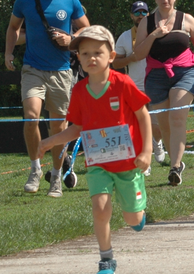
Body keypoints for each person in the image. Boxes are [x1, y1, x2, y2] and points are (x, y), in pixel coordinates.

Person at [38, 26, 152, 274]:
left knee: (132, 219)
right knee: (100, 209)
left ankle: (139, 213)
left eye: (97, 52)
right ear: (78, 57)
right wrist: (50, 141)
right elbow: (77, 128)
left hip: (128, 164)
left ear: (111, 56)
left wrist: (146, 151)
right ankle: (106, 259)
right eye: (85, 53)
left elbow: (143, 116)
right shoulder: (79, 91)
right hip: (98, 163)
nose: (91, 58)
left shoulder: (122, 83)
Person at [118, 0, 194, 187]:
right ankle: (177, 163)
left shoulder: (186, 19)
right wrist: (155, 35)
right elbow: (139, 54)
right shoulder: (147, 22)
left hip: (185, 71)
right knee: (163, 126)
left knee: (177, 118)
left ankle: (174, 166)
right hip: (156, 75)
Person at [5, 0, 89, 198]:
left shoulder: (70, 0)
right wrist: (8, 52)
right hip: (33, 68)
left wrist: (71, 38)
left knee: (58, 128)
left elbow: (86, 27)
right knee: (31, 117)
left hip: (62, 72)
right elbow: (13, 27)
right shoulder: (24, 1)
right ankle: (35, 169)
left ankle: (56, 177)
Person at [112, 1, 167, 169]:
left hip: (156, 83)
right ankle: (145, 162)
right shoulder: (125, 37)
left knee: (157, 126)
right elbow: (115, 63)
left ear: (149, 15)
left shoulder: (158, 33)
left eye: (144, 12)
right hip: (135, 86)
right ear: (131, 15)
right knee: (138, 125)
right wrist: (131, 58)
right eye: (137, 13)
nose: (141, 16)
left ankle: (157, 143)